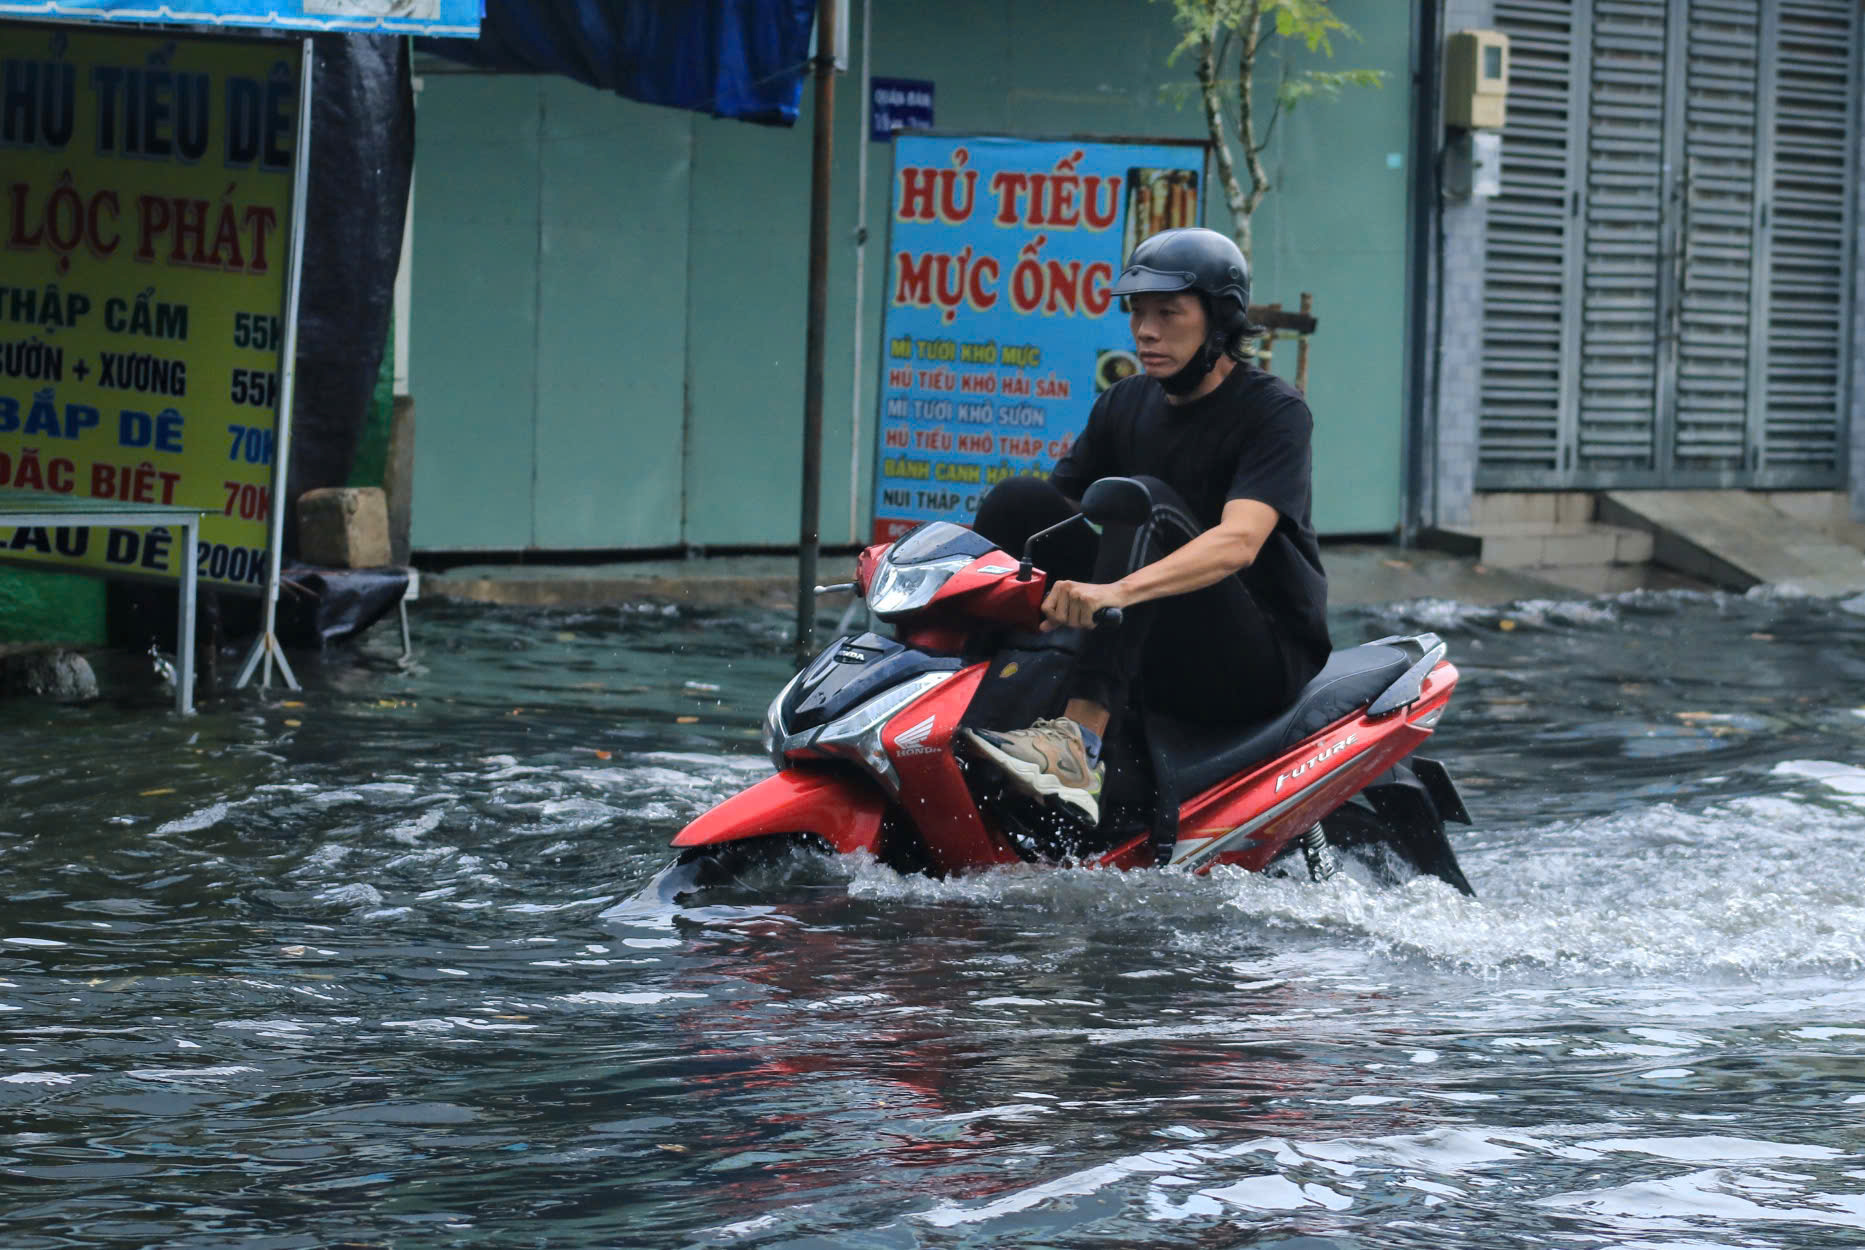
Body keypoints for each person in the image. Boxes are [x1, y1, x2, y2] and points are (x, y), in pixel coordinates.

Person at [960, 227, 1332, 825]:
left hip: (1256, 657)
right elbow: (1054, 521)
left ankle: (1077, 745)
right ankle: (954, 695)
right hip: (1154, 634)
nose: (1145, 331)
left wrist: (1115, 592)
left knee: (1142, 503)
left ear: (1218, 320)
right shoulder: (1125, 403)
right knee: (1017, 501)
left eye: (1168, 313)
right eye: (1137, 313)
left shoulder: (1275, 412)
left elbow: (1241, 541)